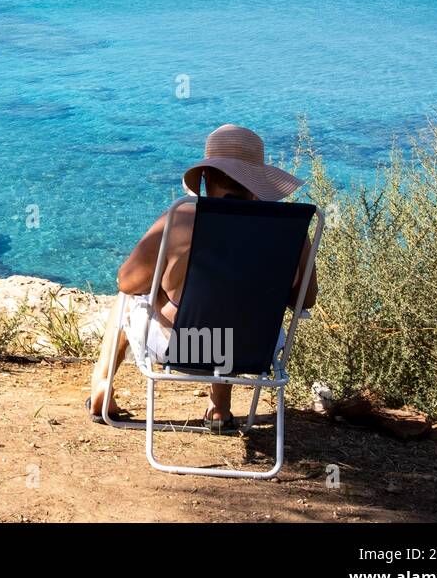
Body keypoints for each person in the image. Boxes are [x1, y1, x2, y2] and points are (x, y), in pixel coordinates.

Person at [86, 124, 317, 432]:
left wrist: (161, 292)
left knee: (128, 296)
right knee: (234, 310)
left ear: (206, 178)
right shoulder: (289, 233)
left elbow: (126, 281)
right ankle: (220, 408)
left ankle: (101, 384)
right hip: (250, 348)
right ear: (256, 184)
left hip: (184, 346)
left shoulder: (181, 217)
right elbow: (307, 298)